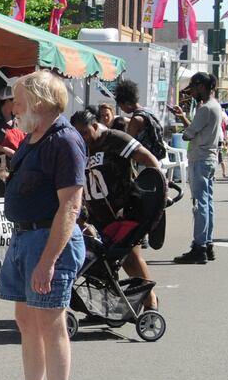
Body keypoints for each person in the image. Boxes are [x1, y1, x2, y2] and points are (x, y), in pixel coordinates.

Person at [0, 70, 86, 380]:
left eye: (19, 99)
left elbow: (70, 207)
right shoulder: (33, 138)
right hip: (26, 236)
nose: (13, 105)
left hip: (47, 239)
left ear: (41, 101)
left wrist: (48, 261)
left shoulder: (65, 141)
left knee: (50, 324)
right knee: (27, 320)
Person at [69, 108, 162, 284]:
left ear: (95, 126)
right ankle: (116, 304)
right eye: (78, 134)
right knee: (106, 265)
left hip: (124, 211)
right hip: (97, 215)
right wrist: (81, 217)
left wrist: (159, 189)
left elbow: (148, 158)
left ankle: (150, 301)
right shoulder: (78, 147)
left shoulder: (114, 139)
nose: (82, 138)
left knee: (131, 258)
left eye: (85, 132)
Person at [170, 72, 225, 264]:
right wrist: (184, 118)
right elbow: (196, 130)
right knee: (207, 202)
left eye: (193, 87)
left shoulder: (204, 109)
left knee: (199, 203)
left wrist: (183, 128)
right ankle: (207, 244)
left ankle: (199, 246)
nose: (191, 91)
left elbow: (188, 135)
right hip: (209, 157)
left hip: (200, 158)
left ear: (202, 86)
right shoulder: (215, 106)